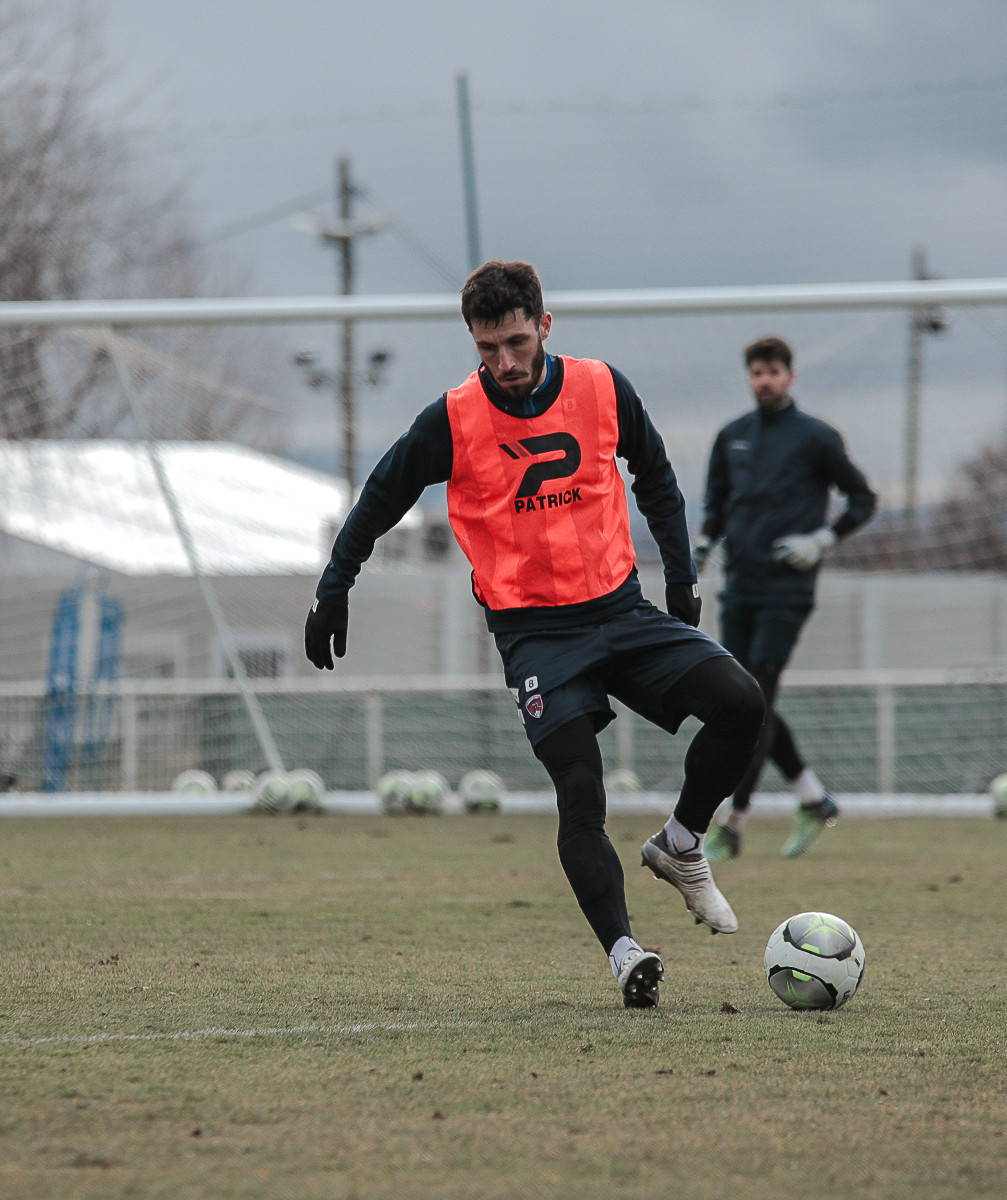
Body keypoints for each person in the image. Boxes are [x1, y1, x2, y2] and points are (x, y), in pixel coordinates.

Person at [305, 260, 766, 1010]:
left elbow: (654, 473)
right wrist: (334, 589)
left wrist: (681, 578)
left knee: (743, 704)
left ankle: (682, 844)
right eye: (487, 349)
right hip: (536, 637)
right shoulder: (451, 419)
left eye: (516, 343)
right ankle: (625, 955)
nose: (504, 363)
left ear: (544, 326)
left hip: (622, 611)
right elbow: (380, 496)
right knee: (580, 789)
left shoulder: (601, 388)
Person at [696, 336, 876, 860]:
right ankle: (812, 797)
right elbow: (716, 503)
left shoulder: (817, 438)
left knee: (754, 701)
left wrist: (823, 539)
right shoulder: (731, 437)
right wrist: (704, 546)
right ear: (749, 377)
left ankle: (733, 823)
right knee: (744, 700)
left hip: (786, 593)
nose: (765, 380)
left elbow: (863, 498)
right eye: (757, 372)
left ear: (790, 377)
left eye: (774, 371)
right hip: (740, 589)